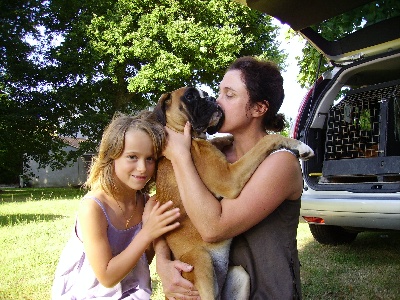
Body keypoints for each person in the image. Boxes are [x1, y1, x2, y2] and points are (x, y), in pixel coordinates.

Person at [155, 56, 303, 299]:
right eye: (219, 92)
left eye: (229, 95)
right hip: (215, 287)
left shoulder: (281, 162)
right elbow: (158, 209)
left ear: (258, 108)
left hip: (265, 291)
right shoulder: (214, 152)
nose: (217, 101)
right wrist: (163, 263)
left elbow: (213, 229)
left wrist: (180, 156)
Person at [51, 111, 181, 300]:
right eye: (132, 157)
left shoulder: (145, 203)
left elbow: (141, 261)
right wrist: (148, 233)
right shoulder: (93, 208)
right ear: (112, 156)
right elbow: (107, 277)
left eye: (150, 158)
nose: (143, 168)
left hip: (127, 292)